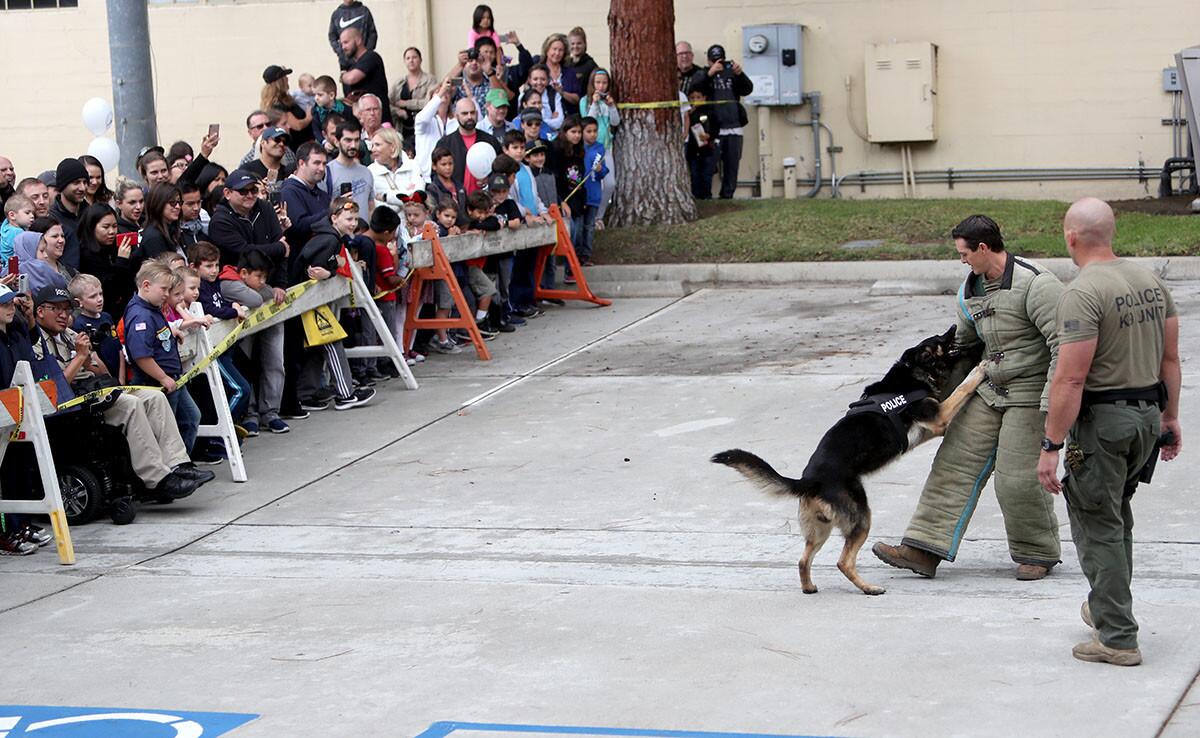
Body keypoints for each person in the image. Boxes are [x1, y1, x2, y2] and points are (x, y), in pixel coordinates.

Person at [873, 215, 1063, 580]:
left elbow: (1063, 347)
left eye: (964, 253)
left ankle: (1037, 553)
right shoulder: (972, 288)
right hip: (989, 389)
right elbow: (961, 344)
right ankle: (922, 549)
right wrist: (921, 395)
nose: (961, 261)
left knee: (1017, 478)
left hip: (1030, 394)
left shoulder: (1036, 285)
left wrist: (1053, 406)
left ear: (983, 248)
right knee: (952, 464)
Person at [1037, 198, 1181, 667]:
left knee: (1098, 526)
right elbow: (1170, 360)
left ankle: (1117, 637)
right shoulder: (1150, 281)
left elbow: (1071, 378)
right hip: (1145, 420)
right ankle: (1107, 608)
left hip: (1104, 426)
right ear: (1112, 233)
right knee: (1116, 518)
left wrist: (1050, 445)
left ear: (1070, 236)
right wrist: (1170, 418)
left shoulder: (1082, 292)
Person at [34, 282, 213, 499]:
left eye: (66, 309)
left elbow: (102, 372)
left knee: (153, 396)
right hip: (70, 404)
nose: (63, 315)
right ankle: (157, 479)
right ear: (40, 311)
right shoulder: (35, 342)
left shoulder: (70, 335)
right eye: (56, 309)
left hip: (95, 389)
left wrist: (88, 356)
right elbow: (56, 390)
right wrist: (79, 357)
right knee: (130, 404)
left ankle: (178, 464)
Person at [207, 170, 291, 435]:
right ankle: (251, 413)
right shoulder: (220, 220)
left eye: (253, 190)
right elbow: (244, 251)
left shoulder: (264, 209)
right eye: (243, 191)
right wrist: (278, 247)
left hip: (269, 290)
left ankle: (272, 412)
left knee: (275, 357)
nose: (250, 196)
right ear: (228, 193)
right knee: (247, 358)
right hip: (240, 295)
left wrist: (280, 283)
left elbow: (280, 255)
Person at [290, 196, 377, 410]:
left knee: (318, 347)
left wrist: (332, 270)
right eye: (348, 218)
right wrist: (331, 272)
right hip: (308, 302)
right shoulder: (328, 240)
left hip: (310, 302)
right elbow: (314, 270)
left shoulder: (330, 237)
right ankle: (345, 394)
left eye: (356, 219)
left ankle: (307, 394)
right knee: (331, 342)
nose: (353, 223)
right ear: (334, 218)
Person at [122, 262, 204, 455]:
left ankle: (182, 463)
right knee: (166, 430)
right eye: (164, 289)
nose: (167, 294)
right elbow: (141, 355)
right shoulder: (140, 315)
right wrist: (162, 378)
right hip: (157, 382)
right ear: (146, 285)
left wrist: (171, 330)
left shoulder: (153, 308)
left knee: (191, 418)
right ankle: (171, 470)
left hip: (173, 378)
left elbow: (156, 335)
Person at [690, 45, 753, 200]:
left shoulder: (732, 72)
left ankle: (727, 196)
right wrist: (709, 74)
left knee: (732, 165)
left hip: (733, 126)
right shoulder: (703, 73)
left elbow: (748, 89)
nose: (718, 63)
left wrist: (740, 74)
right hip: (712, 128)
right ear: (708, 61)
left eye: (721, 60)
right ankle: (705, 196)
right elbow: (695, 88)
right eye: (714, 60)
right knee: (707, 165)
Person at [77, 202, 137, 319]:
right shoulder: (86, 254)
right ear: (92, 227)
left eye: (114, 226)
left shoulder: (115, 247)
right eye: (106, 227)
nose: (111, 231)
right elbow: (107, 288)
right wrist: (121, 261)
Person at [436, 97, 501, 196]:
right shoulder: (445, 143)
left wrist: (489, 179)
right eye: (464, 113)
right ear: (456, 116)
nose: (469, 117)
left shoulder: (490, 141)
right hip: (456, 203)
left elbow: (501, 169)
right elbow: (436, 175)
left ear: (477, 114)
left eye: (472, 113)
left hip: (485, 202)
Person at [280, 142, 332, 254]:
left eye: (324, 164)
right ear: (302, 163)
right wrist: (332, 212)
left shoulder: (323, 195)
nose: (322, 168)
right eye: (317, 163)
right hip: (301, 261)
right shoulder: (289, 192)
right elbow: (299, 226)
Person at [68, 273, 121, 377]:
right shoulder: (79, 325)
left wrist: (121, 377)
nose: (99, 299)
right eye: (93, 296)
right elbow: (92, 357)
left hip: (118, 372)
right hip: (104, 377)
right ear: (79, 302)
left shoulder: (106, 316)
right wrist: (110, 379)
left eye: (100, 294)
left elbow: (118, 347)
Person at [584, 69, 619, 225]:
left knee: (610, 183)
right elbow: (588, 121)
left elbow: (615, 122)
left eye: (604, 82)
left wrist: (611, 107)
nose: (601, 86)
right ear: (592, 83)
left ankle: (600, 215)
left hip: (606, 148)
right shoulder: (585, 101)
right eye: (598, 82)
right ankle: (590, 215)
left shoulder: (609, 102)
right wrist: (594, 103)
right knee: (593, 181)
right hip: (591, 149)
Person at [339, 26, 391, 125]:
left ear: (358, 40)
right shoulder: (351, 67)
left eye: (346, 42)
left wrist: (342, 76)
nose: (343, 47)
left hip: (379, 124)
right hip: (359, 126)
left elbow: (352, 78)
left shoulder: (371, 57)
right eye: (341, 44)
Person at [388, 47, 436, 153]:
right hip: (402, 127)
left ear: (420, 60)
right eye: (408, 58)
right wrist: (397, 111)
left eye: (414, 57)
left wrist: (406, 104)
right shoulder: (399, 82)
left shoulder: (429, 80)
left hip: (423, 126)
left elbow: (429, 103)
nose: (411, 60)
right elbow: (388, 103)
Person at [326, 118, 375, 215]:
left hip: (364, 229)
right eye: (348, 140)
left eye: (356, 140)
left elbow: (371, 206)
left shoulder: (366, 172)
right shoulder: (327, 172)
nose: (353, 145)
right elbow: (322, 208)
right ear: (336, 141)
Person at [370, 127, 423, 214]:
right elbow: (378, 208)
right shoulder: (370, 172)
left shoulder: (413, 166)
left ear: (392, 147)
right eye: (372, 146)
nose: (373, 149)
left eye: (377, 145)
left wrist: (386, 197)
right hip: (387, 224)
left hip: (414, 224)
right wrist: (405, 197)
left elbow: (417, 198)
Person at [414, 78, 457, 183]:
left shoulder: (455, 121)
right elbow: (422, 118)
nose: (443, 93)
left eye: (446, 92)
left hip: (451, 177)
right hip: (426, 178)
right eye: (437, 92)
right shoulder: (426, 122)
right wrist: (441, 91)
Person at [49, 157, 89, 270]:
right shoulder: (52, 219)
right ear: (63, 185)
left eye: (85, 182)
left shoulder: (91, 214)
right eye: (76, 183)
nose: (82, 188)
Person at [579, 117, 608, 267]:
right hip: (579, 194)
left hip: (593, 193)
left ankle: (585, 255)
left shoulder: (600, 148)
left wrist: (600, 169)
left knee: (589, 226)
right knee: (578, 227)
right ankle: (575, 254)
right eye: (588, 131)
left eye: (595, 131)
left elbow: (604, 171)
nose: (592, 134)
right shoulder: (577, 148)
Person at [262, 65, 314, 146]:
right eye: (285, 77)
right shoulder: (278, 105)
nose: (287, 79)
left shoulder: (286, 98)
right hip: (298, 144)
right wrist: (308, 117)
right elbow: (297, 126)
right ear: (280, 81)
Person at [242, 126, 295, 201]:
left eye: (285, 142)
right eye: (277, 140)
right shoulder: (247, 169)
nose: (281, 144)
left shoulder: (289, 172)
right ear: (263, 143)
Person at [685, 87, 719, 199]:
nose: (696, 100)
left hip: (707, 148)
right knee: (695, 174)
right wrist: (689, 114)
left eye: (698, 97)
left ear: (704, 98)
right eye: (692, 98)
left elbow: (716, 127)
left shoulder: (710, 111)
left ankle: (707, 195)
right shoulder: (688, 114)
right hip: (693, 148)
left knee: (706, 173)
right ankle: (696, 195)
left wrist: (709, 135)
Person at [139, 183, 185, 261]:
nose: (178, 207)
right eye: (172, 203)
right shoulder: (154, 237)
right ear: (159, 204)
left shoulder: (173, 230)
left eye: (180, 202)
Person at [539, 34, 581, 115]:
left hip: (567, 119)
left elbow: (577, 99)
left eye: (561, 50)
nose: (557, 53)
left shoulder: (569, 73)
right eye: (554, 49)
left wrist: (562, 93)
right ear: (547, 50)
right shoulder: (539, 70)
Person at [329, 0, 377, 70]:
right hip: (345, 63)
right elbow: (332, 37)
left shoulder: (364, 11)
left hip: (364, 61)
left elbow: (372, 34)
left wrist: (366, 53)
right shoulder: (336, 14)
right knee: (349, 79)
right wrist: (341, 53)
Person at [526, 65, 564, 136]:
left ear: (548, 80)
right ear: (529, 80)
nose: (539, 82)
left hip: (552, 136)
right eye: (535, 79)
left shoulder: (554, 95)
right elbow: (525, 122)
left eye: (543, 79)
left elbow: (559, 122)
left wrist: (536, 120)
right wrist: (550, 119)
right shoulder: (523, 96)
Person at [1, 194, 35, 263]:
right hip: (15, 268)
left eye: (33, 213)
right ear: (12, 215)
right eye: (27, 213)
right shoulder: (17, 233)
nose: (32, 216)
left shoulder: (5, 227)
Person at [565, 27, 598, 94]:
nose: (575, 46)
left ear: (585, 44)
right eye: (572, 44)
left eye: (579, 43)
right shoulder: (566, 64)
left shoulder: (590, 65)